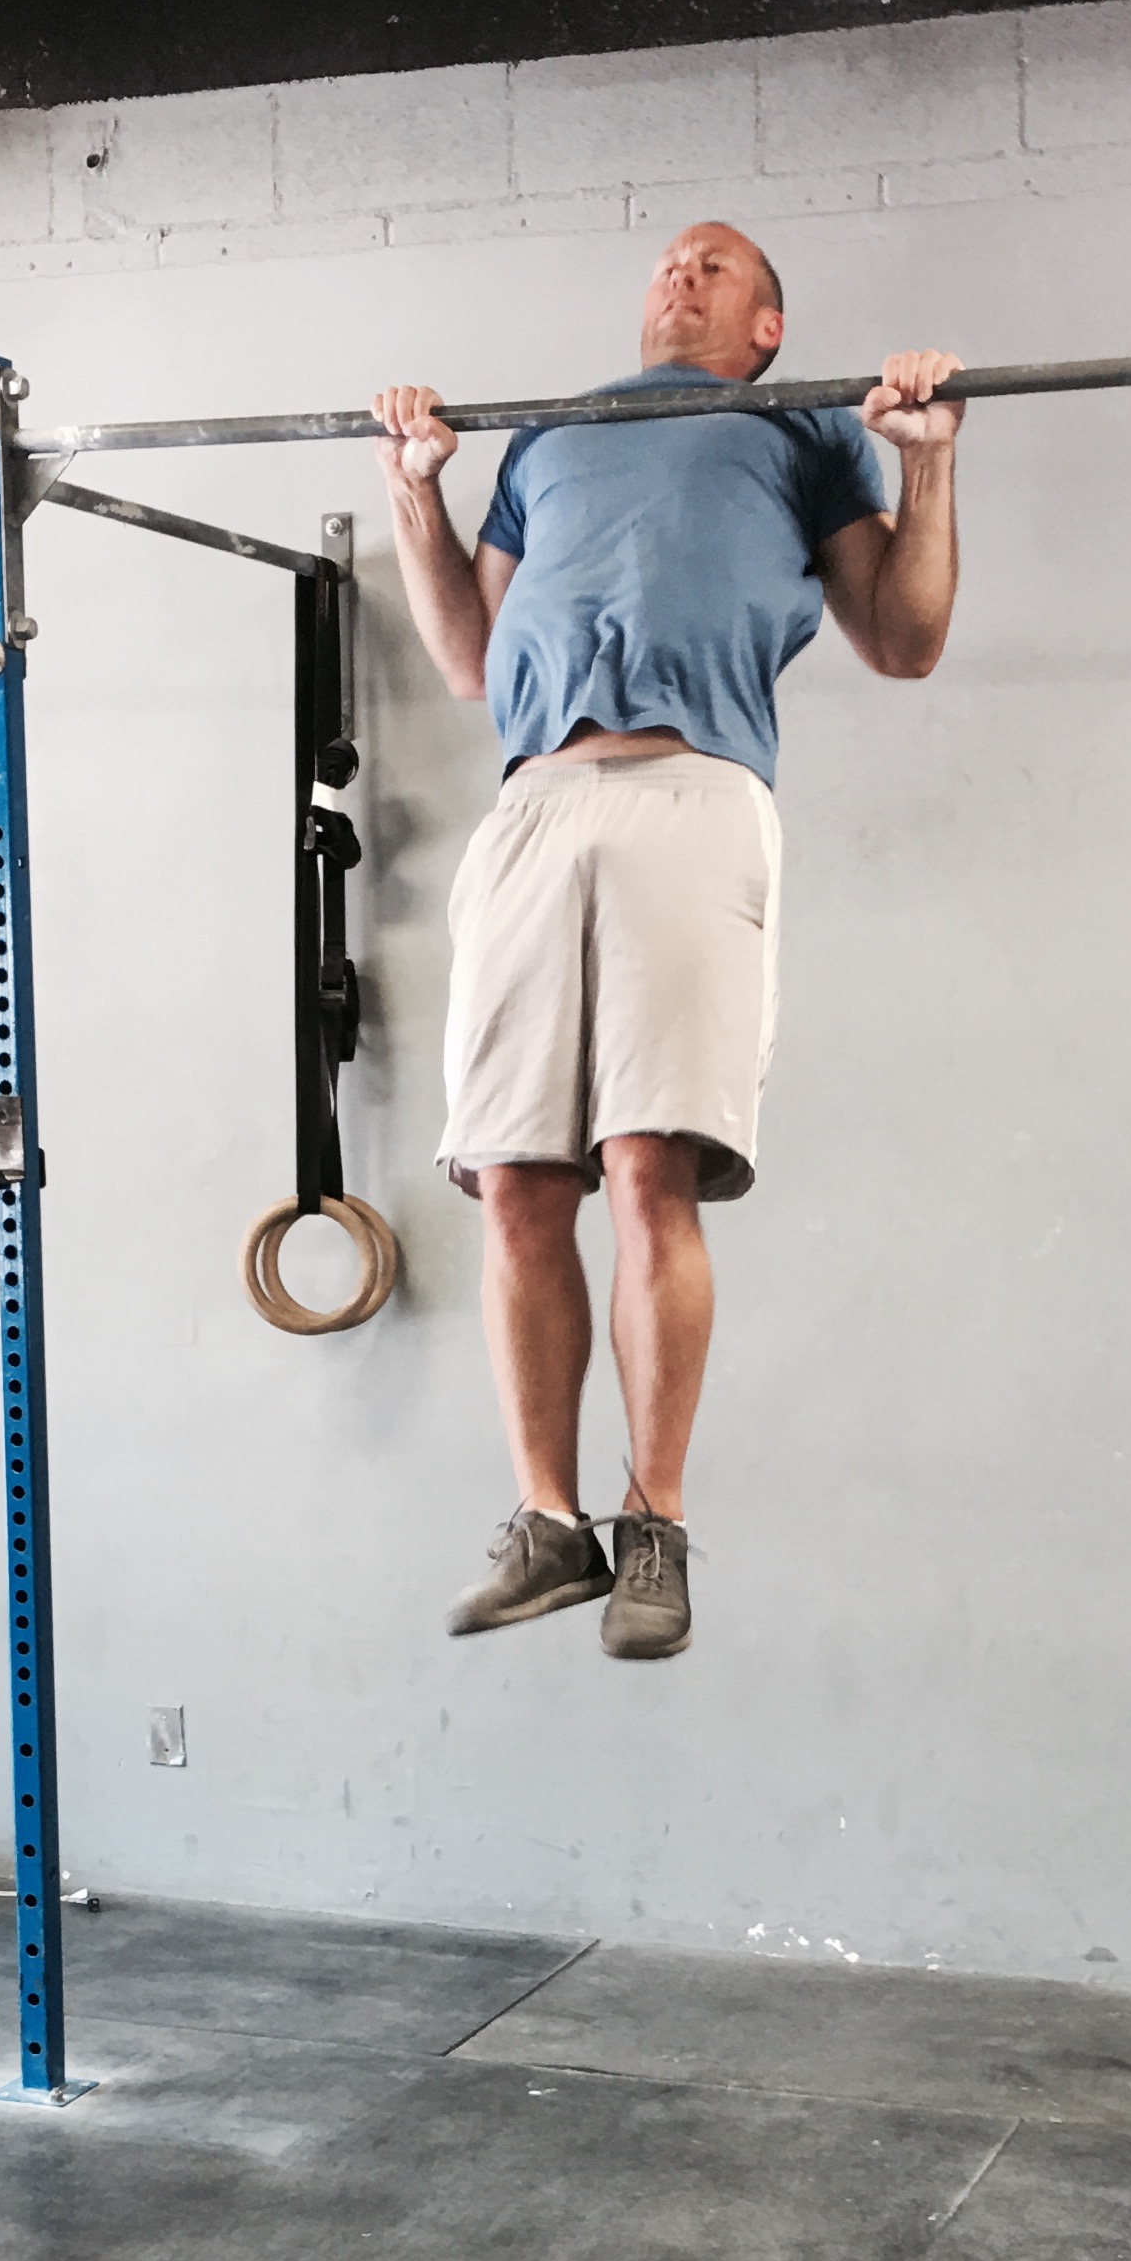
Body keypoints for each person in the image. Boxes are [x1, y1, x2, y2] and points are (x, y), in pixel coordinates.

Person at [373, 221, 962, 1661]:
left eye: (716, 264)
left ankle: (655, 1527)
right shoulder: (553, 437)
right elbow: (467, 658)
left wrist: (927, 463)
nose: (678, 273)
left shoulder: (798, 424)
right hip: (535, 803)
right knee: (517, 1180)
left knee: (647, 1166)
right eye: (667, 261)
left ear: (769, 325)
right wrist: (415, 494)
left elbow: (904, 638)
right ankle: (547, 1522)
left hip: (694, 792)